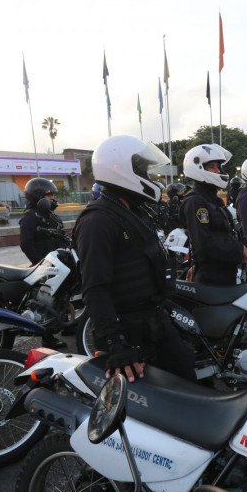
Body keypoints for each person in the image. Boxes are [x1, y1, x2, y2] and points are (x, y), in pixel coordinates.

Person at [73, 135, 194, 382]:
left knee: (187, 382)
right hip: (129, 333)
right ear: (120, 170)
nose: (149, 179)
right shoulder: (98, 221)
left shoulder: (134, 211)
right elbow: (95, 289)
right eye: (143, 172)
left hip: (155, 322)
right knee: (145, 408)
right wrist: (117, 345)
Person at [179, 143, 247, 285]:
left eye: (218, 166)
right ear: (198, 168)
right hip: (212, 277)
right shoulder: (196, 201)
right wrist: (238, 250)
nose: (217, 171)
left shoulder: (212, 199)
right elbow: (203, 244)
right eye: (212, 167)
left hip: (224, 270)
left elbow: (222, 233)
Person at [18, 177, 68, 348]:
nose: (52, 198)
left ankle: (66, 325)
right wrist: (40, 263)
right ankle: (47, 338)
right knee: (45, 302)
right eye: (48, 195)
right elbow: (25, 243)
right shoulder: (30, 217)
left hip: (58, 265)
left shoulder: (51, 215)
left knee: (62, 297)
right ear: (37, 196)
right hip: (45, 267)